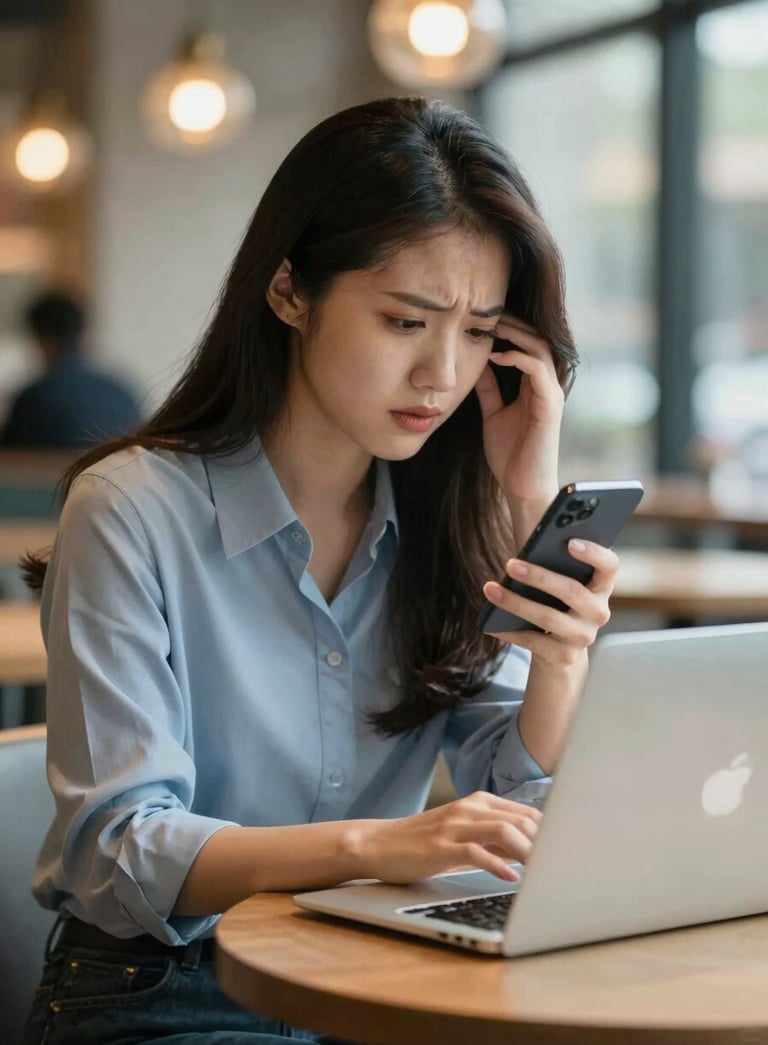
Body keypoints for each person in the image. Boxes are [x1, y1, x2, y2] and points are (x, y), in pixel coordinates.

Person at [21, 97, 618, 1045]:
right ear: (290, 291)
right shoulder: (131, 507)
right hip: (163, 989)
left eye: (479, 334)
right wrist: (376, 847)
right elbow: (119, 844)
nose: (441, 374)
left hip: (374, 971)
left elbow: (524, 802)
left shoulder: (448, 519)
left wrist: (529, 521)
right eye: (406, 320)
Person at [1, 291, 142, 449]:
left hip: (55, 474)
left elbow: (10, 459)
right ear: (82, 333)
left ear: (41, 339)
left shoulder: (34, 398)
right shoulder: (121, 391)